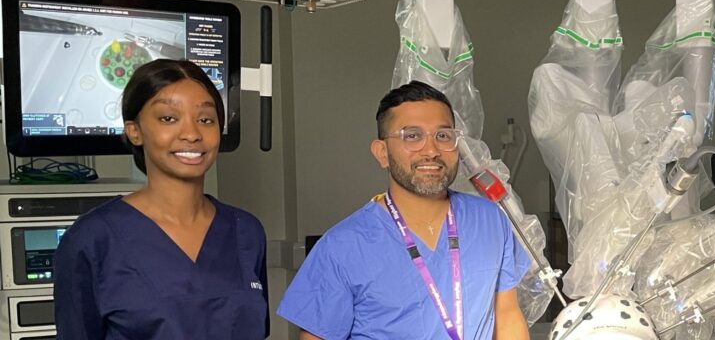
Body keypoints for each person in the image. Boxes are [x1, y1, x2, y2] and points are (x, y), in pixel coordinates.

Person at [278, 80, 530, 340]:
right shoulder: (342, 247)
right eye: (412, 136)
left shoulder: (489, 221)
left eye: (443, 135)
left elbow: (507, 315)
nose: (431, 150)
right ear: (382, 153)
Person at [54, 59, 269, 339]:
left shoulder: (246, 231)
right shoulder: (92, 240)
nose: (192, 134)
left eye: (205, 120)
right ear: (134, 131)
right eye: (168, 118)